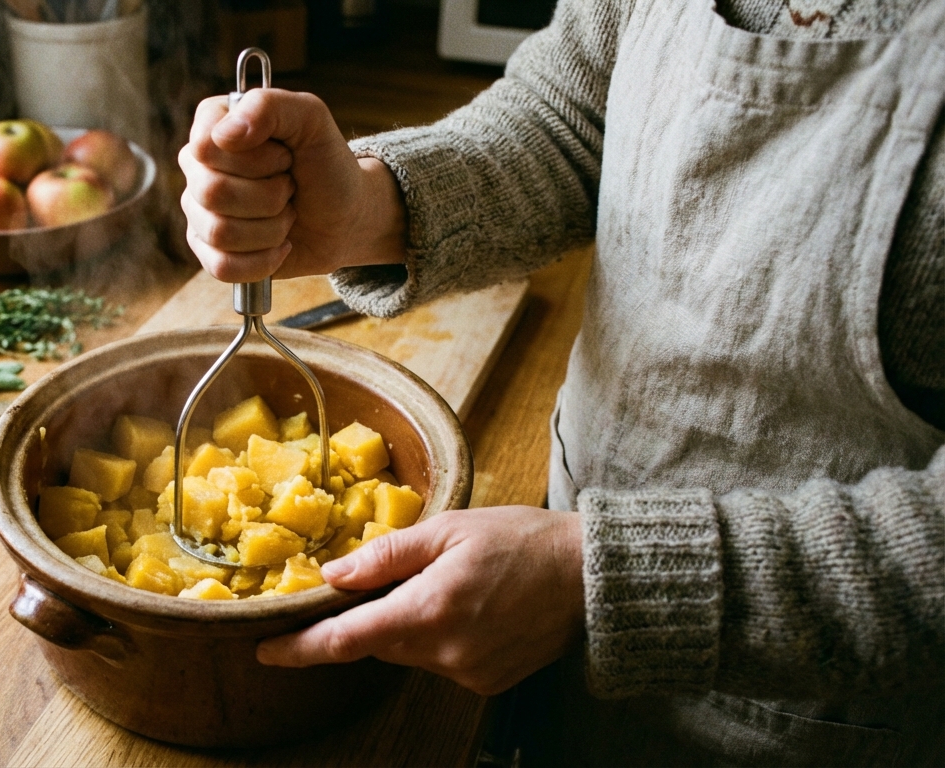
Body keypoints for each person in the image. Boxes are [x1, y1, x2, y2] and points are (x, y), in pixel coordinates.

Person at [177, 0, 945, 763]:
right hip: (547, 622)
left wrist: (601, 581)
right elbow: (573, 115)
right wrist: (370, 206)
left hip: (828, 723)